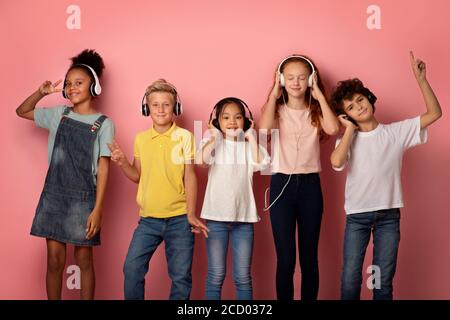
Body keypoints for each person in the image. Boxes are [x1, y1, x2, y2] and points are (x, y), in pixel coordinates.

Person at [330, 52, 442, 300]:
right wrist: (349, 129)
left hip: (389, 217)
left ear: (369, 99)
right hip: (357, 216)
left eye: (360, 100)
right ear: (346, 115)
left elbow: (434, 113)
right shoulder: (347, 139)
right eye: (350, 107)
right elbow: (336, 162)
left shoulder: (396, 132)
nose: (358, 106)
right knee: (350, 279)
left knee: (383, 281)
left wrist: (421, 80)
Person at [15, 49, 114, 300]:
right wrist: (41, 92)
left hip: (84, 199)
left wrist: (98, 209)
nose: (71, 88)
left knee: (84, 260)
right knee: (54, 261)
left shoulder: (104, 123)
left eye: (78, 83)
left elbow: (104, 168)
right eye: (68, 84)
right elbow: (22, 111)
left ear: (95, 87)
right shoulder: (59, 115)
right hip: (54, 197)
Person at [108, 79, 208, 300]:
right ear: (147, 108)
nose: (161, 109)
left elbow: (190, 176)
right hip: (149, 219)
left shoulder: (185, 137)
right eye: (155, 104)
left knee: (181, 276)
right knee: (132, 269)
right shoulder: (141, 139)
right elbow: (136, 176)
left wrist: (191, 213)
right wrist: (123, 161)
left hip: (179, 219)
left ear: (176, 108)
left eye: (166, 104)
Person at [259, 54, 339, 300]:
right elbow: (263, 131)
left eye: (302, 77)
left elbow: (333, 128)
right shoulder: (277, 110)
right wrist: (273, 93)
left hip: (310, 186)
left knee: (308, 256)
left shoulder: (316, 110)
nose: (296, 82)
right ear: (281, 79)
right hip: (281, 183)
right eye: (290, 77)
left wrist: (319, 95)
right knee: (286, 258)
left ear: (311, 79)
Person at [196, 97, 270, 300]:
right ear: (216, 121)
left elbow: (262, 164)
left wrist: (252, 137)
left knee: (243, 277)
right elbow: (200, 161)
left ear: (245, 121)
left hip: (243, 221)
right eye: (226, 117)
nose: (232, 122)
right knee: (216, 275)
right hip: (216, 219)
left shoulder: (248, 147)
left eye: (238, 117)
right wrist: (213, 138)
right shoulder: (212, 142)